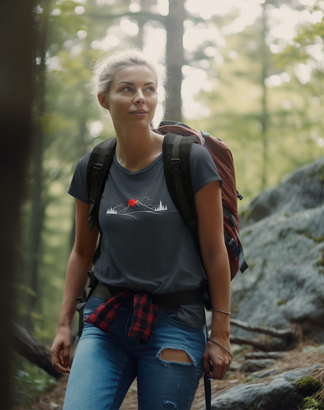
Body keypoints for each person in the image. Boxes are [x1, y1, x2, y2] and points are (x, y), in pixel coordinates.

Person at [51, 49, 232, 410]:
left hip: (176, 321)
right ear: (104, 99)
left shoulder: (190, 161)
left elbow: (215, 252)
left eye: (149, 89)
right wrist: (63, 325)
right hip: (106, 320)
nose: (140, 98)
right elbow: (82, 252)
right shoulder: (93, 167)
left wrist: (221, 334)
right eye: (127, 89)